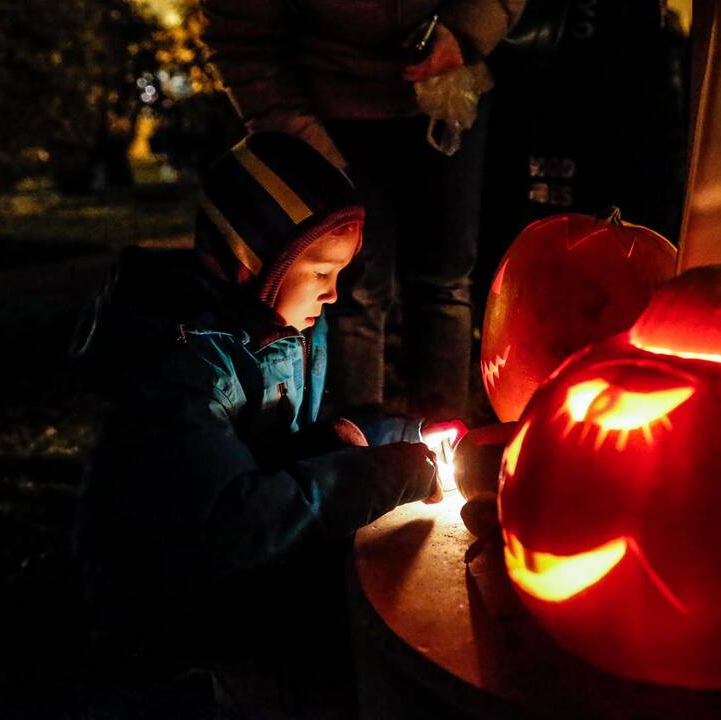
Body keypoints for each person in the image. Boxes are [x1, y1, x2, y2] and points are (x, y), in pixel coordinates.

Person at [72, 133, 449, 682]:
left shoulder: (283, 328)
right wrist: (385, 475)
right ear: (251, 261)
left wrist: (411, 432)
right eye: (321, 273)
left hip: (237, 539)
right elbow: (233, 521)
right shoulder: (184, 368)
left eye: (339, 275)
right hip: (161, 592)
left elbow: (307, 432)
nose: (334, 295)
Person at [199, 0, 526, 420]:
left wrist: (466, 30)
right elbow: (241, 36)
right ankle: (358, 450)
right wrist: (302, 140)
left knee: (446, 282)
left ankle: (443, 446)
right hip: (331, 109)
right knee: (353, 290)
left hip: (448, 90)